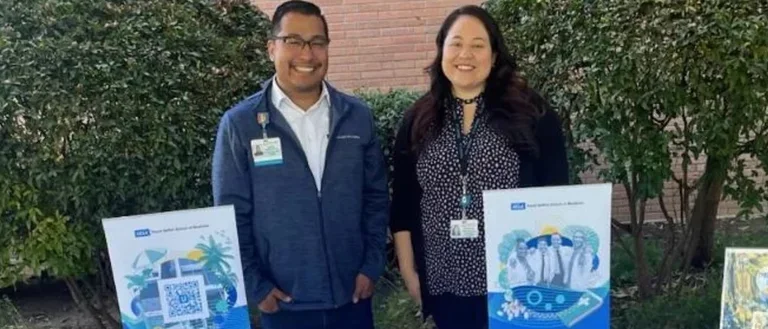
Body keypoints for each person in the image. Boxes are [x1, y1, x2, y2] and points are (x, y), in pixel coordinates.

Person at [389, 5, 569, 329]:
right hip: (443, 279)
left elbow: (556, 197)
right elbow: (403, 200)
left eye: (478, 45)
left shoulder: (533, 114)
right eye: (456, 43)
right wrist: (407, 268)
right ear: (441, 49)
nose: (465, 54)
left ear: (495, 55)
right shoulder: (418, 119)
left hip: (515, 285)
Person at [211, 1, 389, 328]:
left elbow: (376, 197)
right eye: (293, 41)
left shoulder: (356, 116)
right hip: (283, 306)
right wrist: (256, 286)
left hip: (352, 298)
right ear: (271, 48)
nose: (307, 54)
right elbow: (230, 214)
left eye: (317, 42)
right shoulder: (240, 125)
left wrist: (371, 266)